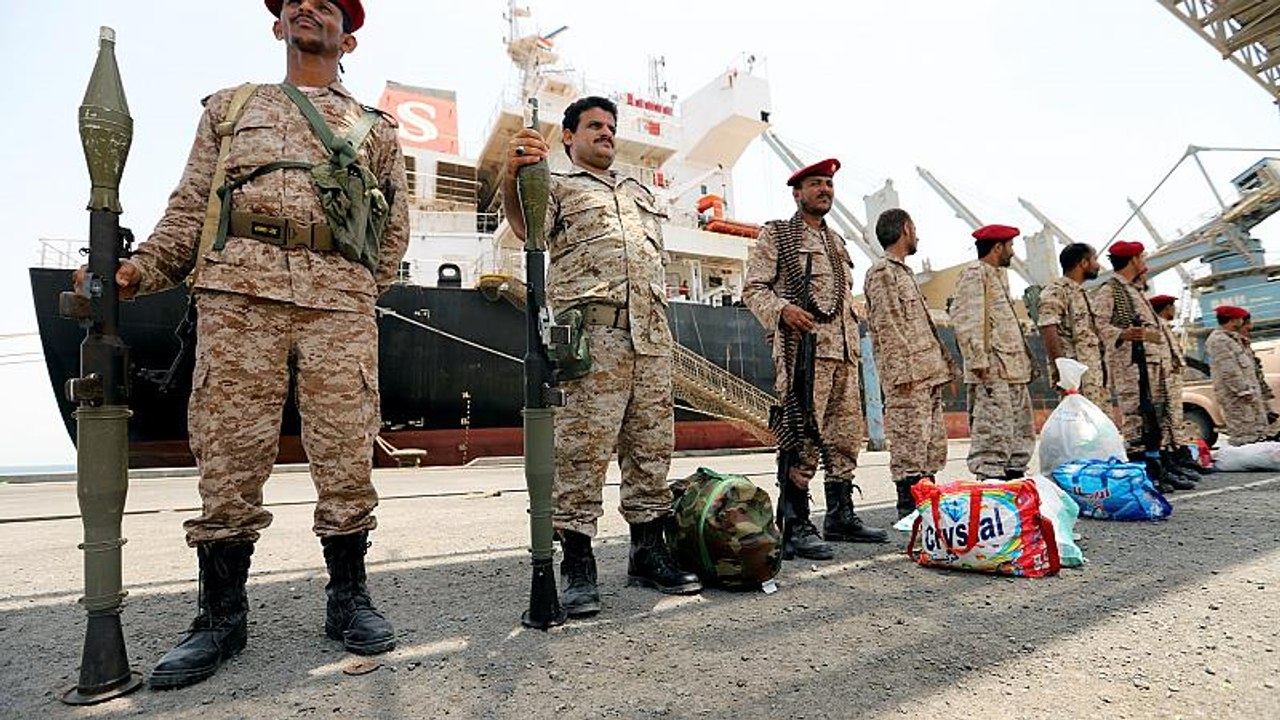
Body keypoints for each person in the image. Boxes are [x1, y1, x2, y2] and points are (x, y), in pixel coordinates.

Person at [72, 0, 409, 689]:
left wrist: (349, 286)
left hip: (337, 305)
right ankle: (220, 615)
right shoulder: (230, 108)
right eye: (295, 3)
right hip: (237, 298)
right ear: (279, 25)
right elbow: (192, 207)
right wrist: (140, 272)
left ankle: (349, 598)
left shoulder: (376, 130)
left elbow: (393, 235)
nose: (308, 7)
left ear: (351, 34)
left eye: (328, 4)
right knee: (227, 453)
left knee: (346, 450)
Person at [503, 96, 701, 618]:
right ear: (568, 137)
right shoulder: (558, 186)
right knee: (581, 451)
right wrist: (513, 175)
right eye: (594, 126)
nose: (606, 134)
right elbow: (525, 226)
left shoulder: (638, 194)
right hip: (594, 342)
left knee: (651, 449)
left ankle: (647, 551)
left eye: (611, 127)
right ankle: (577, 564)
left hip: (652, 341)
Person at [743, 158, 888, 561]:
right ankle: (795, 523)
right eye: (816, 184)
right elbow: (753, 289)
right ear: (797, 192)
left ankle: (840, 515)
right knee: (802, 435)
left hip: (844, 354)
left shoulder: (838, 242)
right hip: (804, 355)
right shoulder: (778, 235)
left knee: (844, 437)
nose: (824, 190)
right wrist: (783, 310)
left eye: (828, 184)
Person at [863, 209, 956, 520]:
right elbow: (887, 324)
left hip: (928, 374)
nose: (917, 235)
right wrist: (904, 374)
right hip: (909, 377)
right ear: (905, 229)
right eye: (914, 228)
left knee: (931, 447)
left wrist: (942, 367)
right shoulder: (883, 273)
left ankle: (929, 509)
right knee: (909, 445)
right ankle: (910, 511)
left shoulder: (904, 273)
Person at [1090, 242, 1194, 491]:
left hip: (1151, 364)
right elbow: (1098, 325)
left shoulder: (1133, 291)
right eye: (1142, 257)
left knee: (1154, 417)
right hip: (1131, 366)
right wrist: (1124, 333)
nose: (1144, 260)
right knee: (1136, 417)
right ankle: (1143, 473)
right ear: (1134, 259)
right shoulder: (1111, 290)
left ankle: (1158, 467)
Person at [949, 224, 1035, 481]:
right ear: (998, 247)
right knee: (992, 433)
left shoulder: (996, 275)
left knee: (1018, 433)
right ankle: (991, 488)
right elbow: (966, 318)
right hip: (992, 371)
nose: (1013, 252)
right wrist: (978, 361)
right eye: (1010, 246)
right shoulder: (976, 274)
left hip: (1012, 370)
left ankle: (1015, 481)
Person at [1037, 243, 1109, 409]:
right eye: (1095, 259)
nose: (1098, 265)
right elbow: (1048, 329)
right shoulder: (1057, 291)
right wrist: (1064, 371)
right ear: (1083, 263)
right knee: (1079, 429)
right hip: (1075, 379)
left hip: (1092, 376)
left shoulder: (1082, 294)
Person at [1206, 305, 1275, 445]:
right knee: (1243, 436)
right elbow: (1229, 370)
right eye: (1240, 319)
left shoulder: (1232, 339)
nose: (1243, 322)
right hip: (1237, 399)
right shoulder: (1219, 341)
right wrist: (1244, 391)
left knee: (1256, 436)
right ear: (1233, 321)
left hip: (1248, 397)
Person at [1150, 294, 1203, 476]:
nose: (1175, 310)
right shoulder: (1156, 328)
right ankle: (1171, 460)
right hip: (1163, 382)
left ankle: (1179, 457)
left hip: (1171, 382)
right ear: (1166, 308)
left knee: (1173, 422)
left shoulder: (1165, 328)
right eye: (1172, 307)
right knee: (1165, 422)